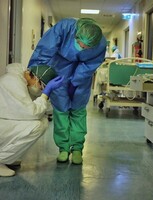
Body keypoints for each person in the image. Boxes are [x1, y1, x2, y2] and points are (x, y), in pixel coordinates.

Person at [28, 18, 107, 165]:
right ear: (76, 35)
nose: (82, 48)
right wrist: (36, 70)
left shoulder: (101, 43)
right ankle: (63, 148)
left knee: (78, 111)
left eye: (86, 48)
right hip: (59, 68)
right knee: (61, 110)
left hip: (82, 74)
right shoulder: (65, 28)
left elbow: (90, 65)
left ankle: (77, 148)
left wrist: (76, 81)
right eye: (80, 44)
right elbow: (45, 49)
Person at [0, 63, 64, 177]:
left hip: (4, 122)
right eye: (42, 87)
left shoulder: (21, 81)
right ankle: (1, 159)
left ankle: (5, 158)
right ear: (35, 78)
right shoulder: (13, 82)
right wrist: (45, 94)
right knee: (37, 126)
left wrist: (47, 95)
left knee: (42, 121)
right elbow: (32, 113)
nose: (41, 90)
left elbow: (46, 110)